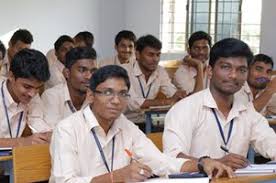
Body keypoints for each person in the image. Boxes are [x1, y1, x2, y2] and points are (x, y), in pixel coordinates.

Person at [49, 65, 233, 183]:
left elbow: (161, 162)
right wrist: (117, 176)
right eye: (107, 92)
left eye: (123, 94)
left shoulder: (125, 126)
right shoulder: (67, 129)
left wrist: (202, 163)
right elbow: (65, 182)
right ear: (90, 95)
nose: (116, 100)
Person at [163, 38, 276, 170]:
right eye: (226, 67)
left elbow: (270, 142)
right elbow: (171, 158)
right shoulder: (185, 109)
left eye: (241, 70)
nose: (234, 75)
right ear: (210, 71)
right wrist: (211, 163)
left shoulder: (247, 110)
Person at [122, 35, 186, 128]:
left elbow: (172, 93)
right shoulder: (124, 71)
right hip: (126, 123)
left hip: (149, 122)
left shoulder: (160, 71)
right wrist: (167, 101)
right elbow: (133, 103)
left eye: (158, 55)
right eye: (150, 55)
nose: (155, 59)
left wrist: (179, 95)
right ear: (138, 54)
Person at [0, 48, 51, 147]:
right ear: (11, 76)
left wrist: (48, 135)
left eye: (38, 88)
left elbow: (38, 122)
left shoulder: (34, 96)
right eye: (27, 87)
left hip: (14, 158)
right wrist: (21, 142)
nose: (32, 94)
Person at [42, 47, 97, 129]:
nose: (89, 76)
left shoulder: (97, 97)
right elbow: (56, 133)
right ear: (67, 73)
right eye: (82, 70)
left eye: (93, 71)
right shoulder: (52, 96)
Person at [173, 31, 211, 95]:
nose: (201, 52)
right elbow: (196, 98)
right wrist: (199, 66)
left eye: (205, 48)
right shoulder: (181, 73)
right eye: (196, 48)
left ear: (210, 49)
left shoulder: (215, 67)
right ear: (189, 51)